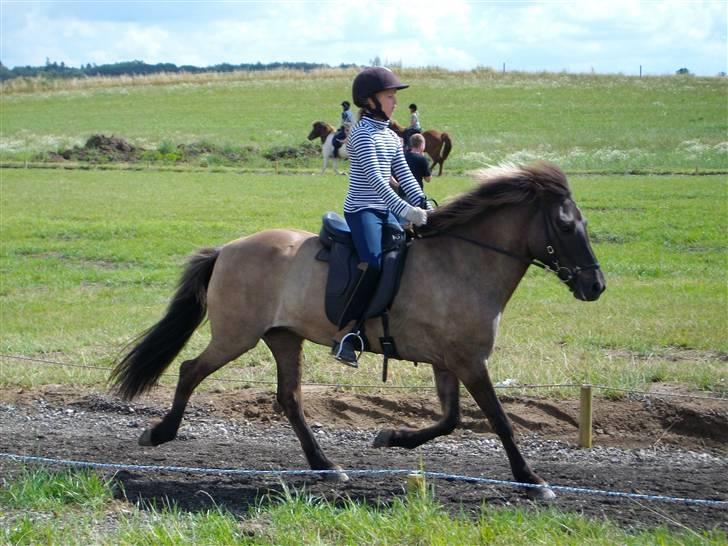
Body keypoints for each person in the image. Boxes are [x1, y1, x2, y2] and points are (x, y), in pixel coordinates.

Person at [332, 67, 429, 365]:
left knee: (404, 259)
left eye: (394, 97)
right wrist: (406, 211)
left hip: (386, 210)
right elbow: (376, 179)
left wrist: (424, 204)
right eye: (390, 96)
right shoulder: (361, 135)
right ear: (370, 100)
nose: (395, 102)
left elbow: (404, 175)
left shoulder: (389, 135)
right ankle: (348, 334)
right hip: (362, 211)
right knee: (373, 263)